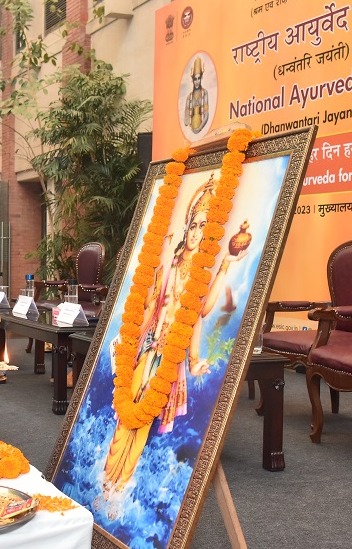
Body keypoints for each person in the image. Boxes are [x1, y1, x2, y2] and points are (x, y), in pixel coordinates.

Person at [101, 175, 246, 502]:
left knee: (142, 424)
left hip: (170, 356)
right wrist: (129, 340)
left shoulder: (200, 274)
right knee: (125, 416)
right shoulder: (171, 263)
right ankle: (107, 481)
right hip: (147, 346)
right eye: (193, 225)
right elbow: (151, 304)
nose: (196, 233)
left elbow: (200, 314)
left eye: (203, 227)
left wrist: (224, 266)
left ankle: (119, 489)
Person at [184, 55, 210, 134]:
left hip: (203, 131)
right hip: (191, 133)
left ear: (201, 78)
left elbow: (206, 115)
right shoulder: (189, 97)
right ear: (192, 80)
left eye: (199, 78)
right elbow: (186, 120)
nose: (197, 81)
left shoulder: (204, 93)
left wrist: (200, 128)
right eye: (195, 79)